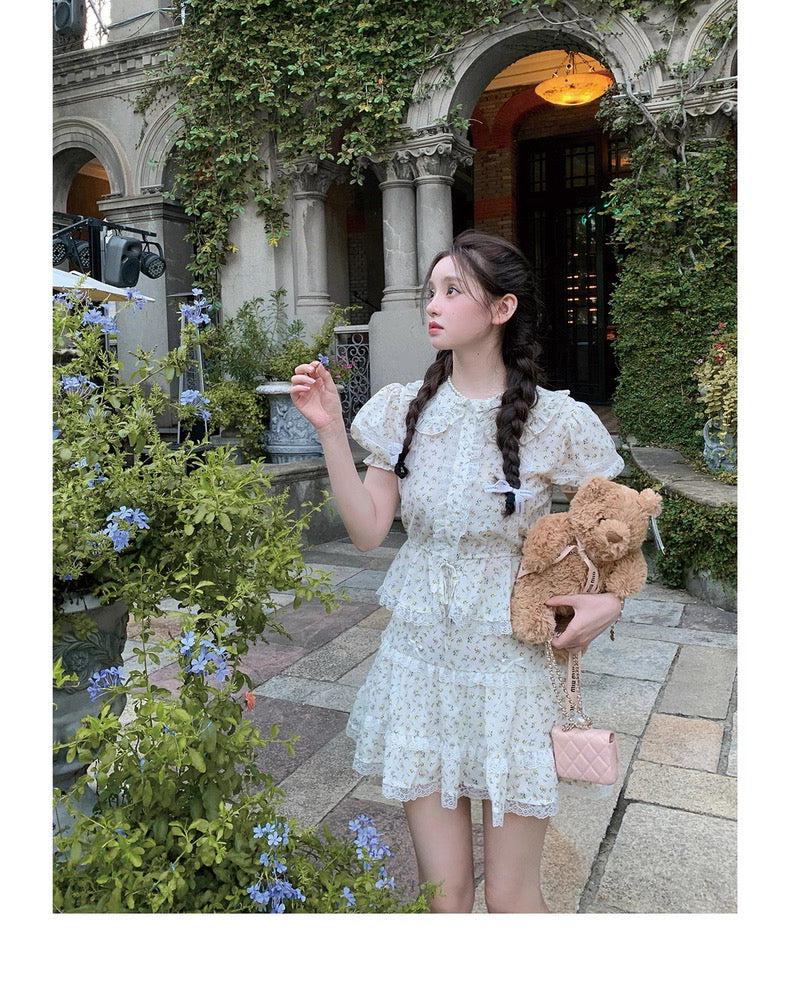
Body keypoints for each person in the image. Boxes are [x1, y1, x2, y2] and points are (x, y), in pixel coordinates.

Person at [290, 231, 624, 913]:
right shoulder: (401, 409)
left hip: (512, 670)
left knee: (509, 899)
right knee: (441, 900)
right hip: (421, 670)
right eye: (430, 291)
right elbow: (366, 531)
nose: (432, 306)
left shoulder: (556, 420)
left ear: (502, 309)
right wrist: (329, 430)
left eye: (452, 291)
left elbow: (618, 527)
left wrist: (609, 601)